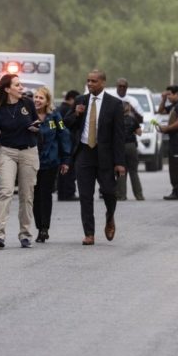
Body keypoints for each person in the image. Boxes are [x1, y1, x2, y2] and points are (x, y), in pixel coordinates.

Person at [64, 69, 126, 245]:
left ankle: (110, 216)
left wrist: (120, 162)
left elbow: (119, 135)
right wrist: (76, 113)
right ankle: (89, 233)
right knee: (85, 195)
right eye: (88, 81)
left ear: (103, 83)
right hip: (84, 153)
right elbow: (66, 123)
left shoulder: (114, 104)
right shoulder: (80, 101)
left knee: (109, 191)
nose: (90, 84)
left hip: (105, 155)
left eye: (93, 81)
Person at [0, 74, 40, 248]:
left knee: (26, 194)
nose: (21, 87)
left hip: (28, 151)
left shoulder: (28, 104)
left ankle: (25, 234)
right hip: (7, 152)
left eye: (20, 84)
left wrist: (36, 127)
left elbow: (37, 122)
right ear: (7, 89)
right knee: (6, 191)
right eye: (17, 85)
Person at [32, 87, 71, 243]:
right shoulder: (28, 116)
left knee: (45, 194)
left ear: (47, 101)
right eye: (35, 97)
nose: (37, 100)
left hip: (50, 161)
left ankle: (44, 228)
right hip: (32, 161)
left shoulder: (55, 117)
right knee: (34, 195)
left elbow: (64, 135)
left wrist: (65, 160)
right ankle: (38, 225)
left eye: (41, 98)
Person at [156, 85, 178, 200]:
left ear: (177, 94)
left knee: (177, 167)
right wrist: (163, 99)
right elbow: (161, 111)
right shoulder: (175, 105)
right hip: (174, 139)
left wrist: (167, 128)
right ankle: (176, 190)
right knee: (173, 167)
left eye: (170, 94)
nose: (168, 96)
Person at [115, 101, 144, 201]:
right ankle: (139, 195)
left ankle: (121, 195)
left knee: (121, 171)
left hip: (119, 147)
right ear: (129, 108)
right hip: (131, 146)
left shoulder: (116, 120)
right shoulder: (133, 119)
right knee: (134, 172)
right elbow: (139, 133)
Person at [57, 90, 81, 201]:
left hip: (61, 142)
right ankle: (69, 192)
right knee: (69, 168)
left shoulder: (59, 109)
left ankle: (62, 193)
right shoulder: (67, 110)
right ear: (72, 99)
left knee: (63, 168)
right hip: (68, 142)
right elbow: (64, 125)